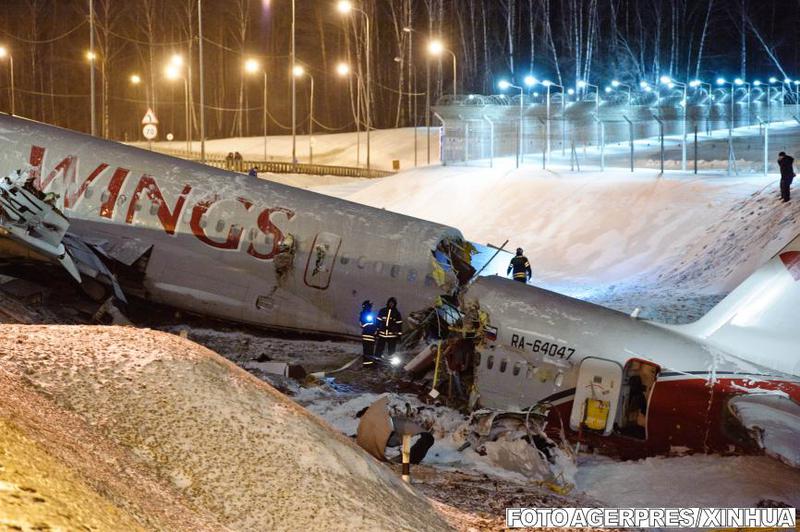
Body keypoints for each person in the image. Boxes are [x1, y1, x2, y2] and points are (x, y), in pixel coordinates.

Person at [356, 396, 435, 465]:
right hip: (417, 437)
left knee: (406, 463)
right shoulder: (383, 421)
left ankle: (406, 471)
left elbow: (387, 435)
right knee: (409, 461)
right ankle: (407, 468)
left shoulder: (385, 422)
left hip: (418, 438)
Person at [359, 300, 378, 366]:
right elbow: (363, 324)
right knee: (368, 349)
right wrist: (372, 328)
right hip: (367, 334)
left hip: (370, 334)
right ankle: (367, 364)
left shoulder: (369, 313)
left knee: (370, 349)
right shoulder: (364, 314)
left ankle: (369, 363)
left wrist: (376, 330)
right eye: (370, 305)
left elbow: (374, 324)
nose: (371, 307)